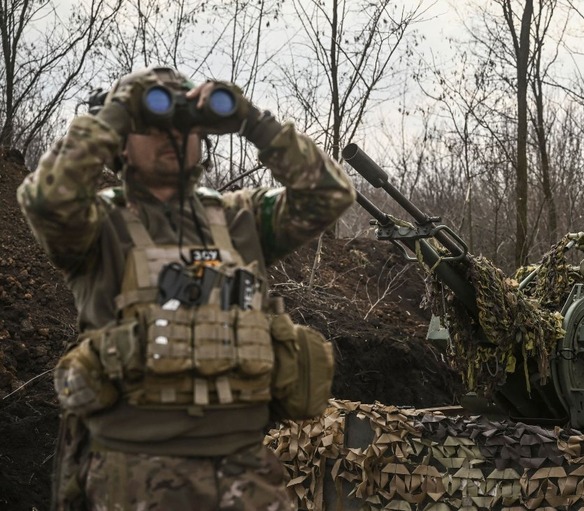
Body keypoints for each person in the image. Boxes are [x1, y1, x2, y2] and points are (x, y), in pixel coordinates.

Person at [17, 66, 355, 510]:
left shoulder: (240, 219)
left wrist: (252, 120)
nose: (169, 136)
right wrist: (119, 111)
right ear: (120, 143)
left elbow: (329, 193)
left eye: (183, 125)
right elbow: (46, 199)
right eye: (150, 125)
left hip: (245, 470)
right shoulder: (97, 227)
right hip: (134, 472)